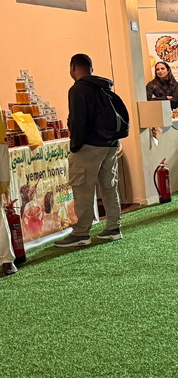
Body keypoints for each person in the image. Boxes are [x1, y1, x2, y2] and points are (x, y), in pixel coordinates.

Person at [53, 54, 123, 247]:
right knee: (109, 186)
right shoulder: (104, 86)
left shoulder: (78, 89)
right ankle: (113, 227)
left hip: (90, 145)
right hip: (111, 144)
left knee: (82, 188)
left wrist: (75, 146)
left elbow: (78, 120)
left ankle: (81, 233)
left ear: (73, 67)